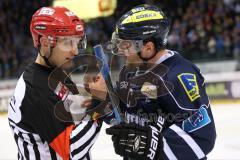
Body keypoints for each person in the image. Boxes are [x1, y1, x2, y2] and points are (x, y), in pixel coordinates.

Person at [105, 4, 217, 160]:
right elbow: (126, 115)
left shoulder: (178, 75)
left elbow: (202, 136)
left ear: (148, 48)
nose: (121, 51)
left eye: (126, 45)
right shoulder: (129, 70)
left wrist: (154, 147)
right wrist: (105, 101)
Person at [8, 6, 108, 160]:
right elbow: (71, 150)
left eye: (77, 42)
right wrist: (98, 101)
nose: (75, 51)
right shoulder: (34, 90)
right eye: (68, 43)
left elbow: (74, 116)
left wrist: (92, 95)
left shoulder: (57, 73)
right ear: (45, 43)